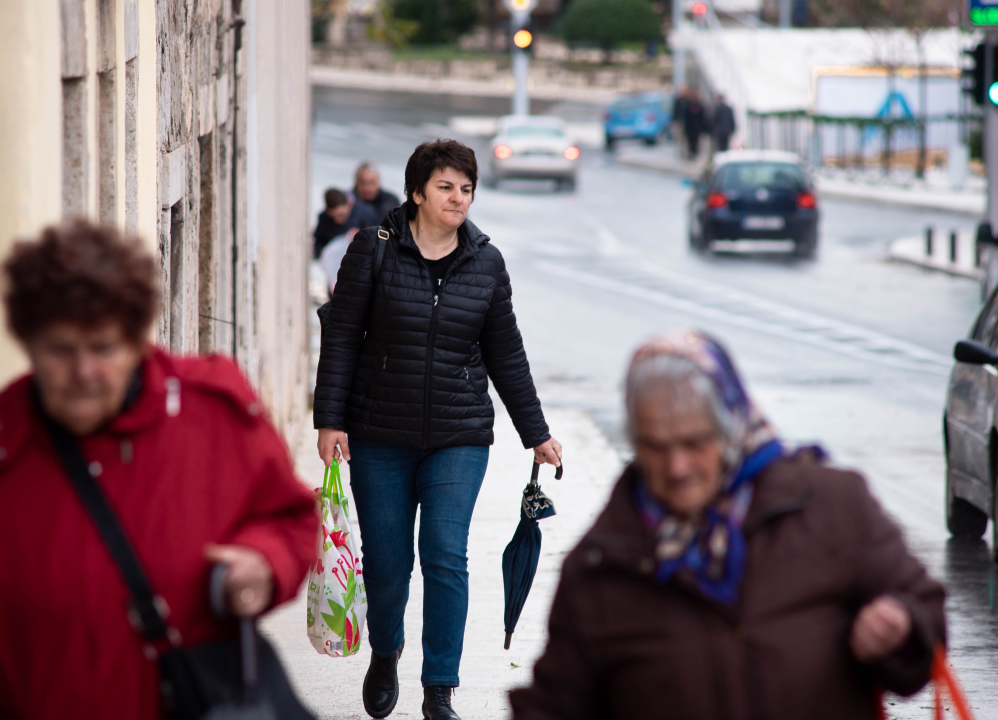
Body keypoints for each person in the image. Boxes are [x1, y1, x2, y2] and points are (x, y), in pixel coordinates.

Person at [0, 221, 318, 719]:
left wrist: (265, 563)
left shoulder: (212, 415)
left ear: (136, 343)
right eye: (61, 349)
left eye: (104, 348)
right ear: (28, 344)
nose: (84, 372)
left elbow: (291, 519)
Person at [510, 330, 946, 720]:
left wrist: (902, 629)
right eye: (656, 446)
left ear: (732, 427)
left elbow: (925, 612)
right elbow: (555, 701)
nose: (677, 467)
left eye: (694, 442)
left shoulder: (830, 507)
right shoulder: (603, 561)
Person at [314, 140, 562, 720]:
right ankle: (385, 652)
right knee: (387, 563)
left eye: (466, 189)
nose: (458, 198)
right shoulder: (373, 249)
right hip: (379, 432)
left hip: (459, 435)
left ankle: (439, 688)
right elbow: (342, 335)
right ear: (418, 192)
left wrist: (536, 432)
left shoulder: (486, 262)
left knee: (446, 555)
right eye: (446, 187)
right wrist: (329, 420)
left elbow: (506, 354)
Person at [314, 187, 375, 259]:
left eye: (341, 215)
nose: (337, 220)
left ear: (349, 204)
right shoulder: (324, 219)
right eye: (333, 217)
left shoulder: (366, 214)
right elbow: (319, 243)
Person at [353, 161, 401, 226]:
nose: (368, 188)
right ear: (356, 182)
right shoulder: (348, 201)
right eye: (363, 183)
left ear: (378, 182)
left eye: (372, 183)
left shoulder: (391, 201)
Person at [682, 88, 708, 161]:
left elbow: (702, 117)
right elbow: (686, 117)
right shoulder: (688, 105)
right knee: (690, 141)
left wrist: (702, 127)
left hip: (696, 127)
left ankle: (694, 153)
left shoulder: (699, 106)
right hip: (690, 127)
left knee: (695, 141)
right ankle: (691, 153)